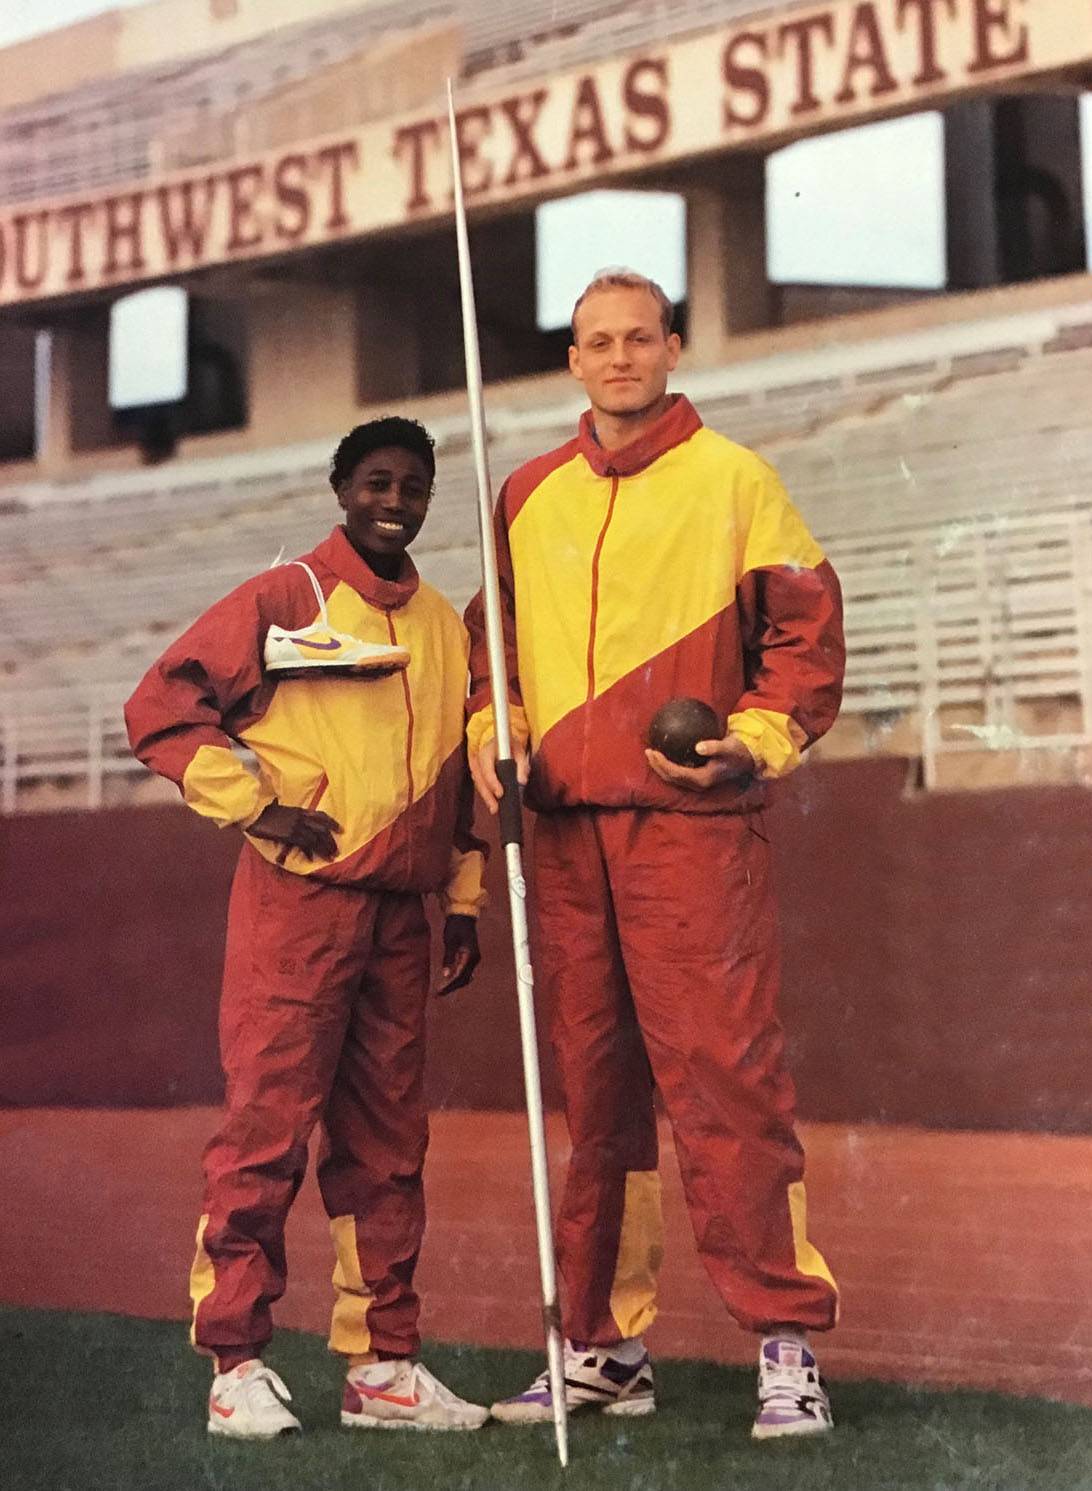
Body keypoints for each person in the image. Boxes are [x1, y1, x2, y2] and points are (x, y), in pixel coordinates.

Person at [465, 271, 845, 1439]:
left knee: (728, 1083)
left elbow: (806, 634)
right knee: (598, 1099)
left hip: (690, 831)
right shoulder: (525, 493)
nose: (620, 356)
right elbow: (497, 652)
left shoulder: (736, 479)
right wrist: (493, 730)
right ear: (572, 362)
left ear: (673, 348)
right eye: (598, 341)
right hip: (567, 837)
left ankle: (785, 1347)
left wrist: (756, 740)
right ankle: (604, 1347)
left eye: (640, 337)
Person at [126, 416, 490, 1437]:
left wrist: (460, 902)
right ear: (340, 487)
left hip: (403, 918)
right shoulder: (285, 597)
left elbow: (456, 785)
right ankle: (235, 1364)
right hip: (301, 904)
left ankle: (385, 1368)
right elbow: (160, 707)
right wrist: (255, 806)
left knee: (387, 1146)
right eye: (376, 481)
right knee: (267, 1128)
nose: (394, 500)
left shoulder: (441, 628)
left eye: (413, 486)